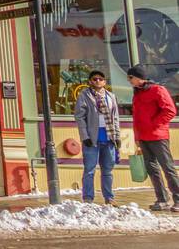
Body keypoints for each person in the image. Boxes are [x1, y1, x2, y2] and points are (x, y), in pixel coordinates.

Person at [126, 65, 179, 211]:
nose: (128, 80)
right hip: (143, 137)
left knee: (167, 167)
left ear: (138, 77)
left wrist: (154, 125)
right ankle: (162, 199)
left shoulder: (157, 90)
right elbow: (136, 117)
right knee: (152, 168)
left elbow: (170, 110)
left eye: (130, 77)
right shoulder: (137, 93)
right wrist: (137, 136)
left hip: (158, 135)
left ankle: (178, 198)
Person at [74, 71, 120, 205]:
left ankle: (109, 197)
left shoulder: (110, 96)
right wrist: (85, 136)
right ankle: (88, 198)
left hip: (109, 138)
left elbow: (115, 118)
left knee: (107, 170)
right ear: (90, 81)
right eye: (95, 79)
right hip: (92, 139)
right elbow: (79, 117)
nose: (98, 81)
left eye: (101, 79)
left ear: (105, 82)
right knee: (89, 169)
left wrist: (117, 136)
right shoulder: (84, 96)